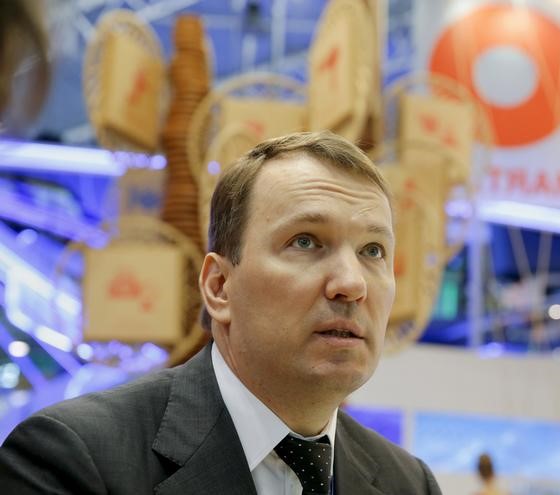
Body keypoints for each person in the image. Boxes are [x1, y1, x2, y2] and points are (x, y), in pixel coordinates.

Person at [0, 131, 442, 494]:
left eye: (373, 250)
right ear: (219, 287)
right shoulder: (75, 460)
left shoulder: (408, 484)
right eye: (305, 241)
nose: (352, 283)